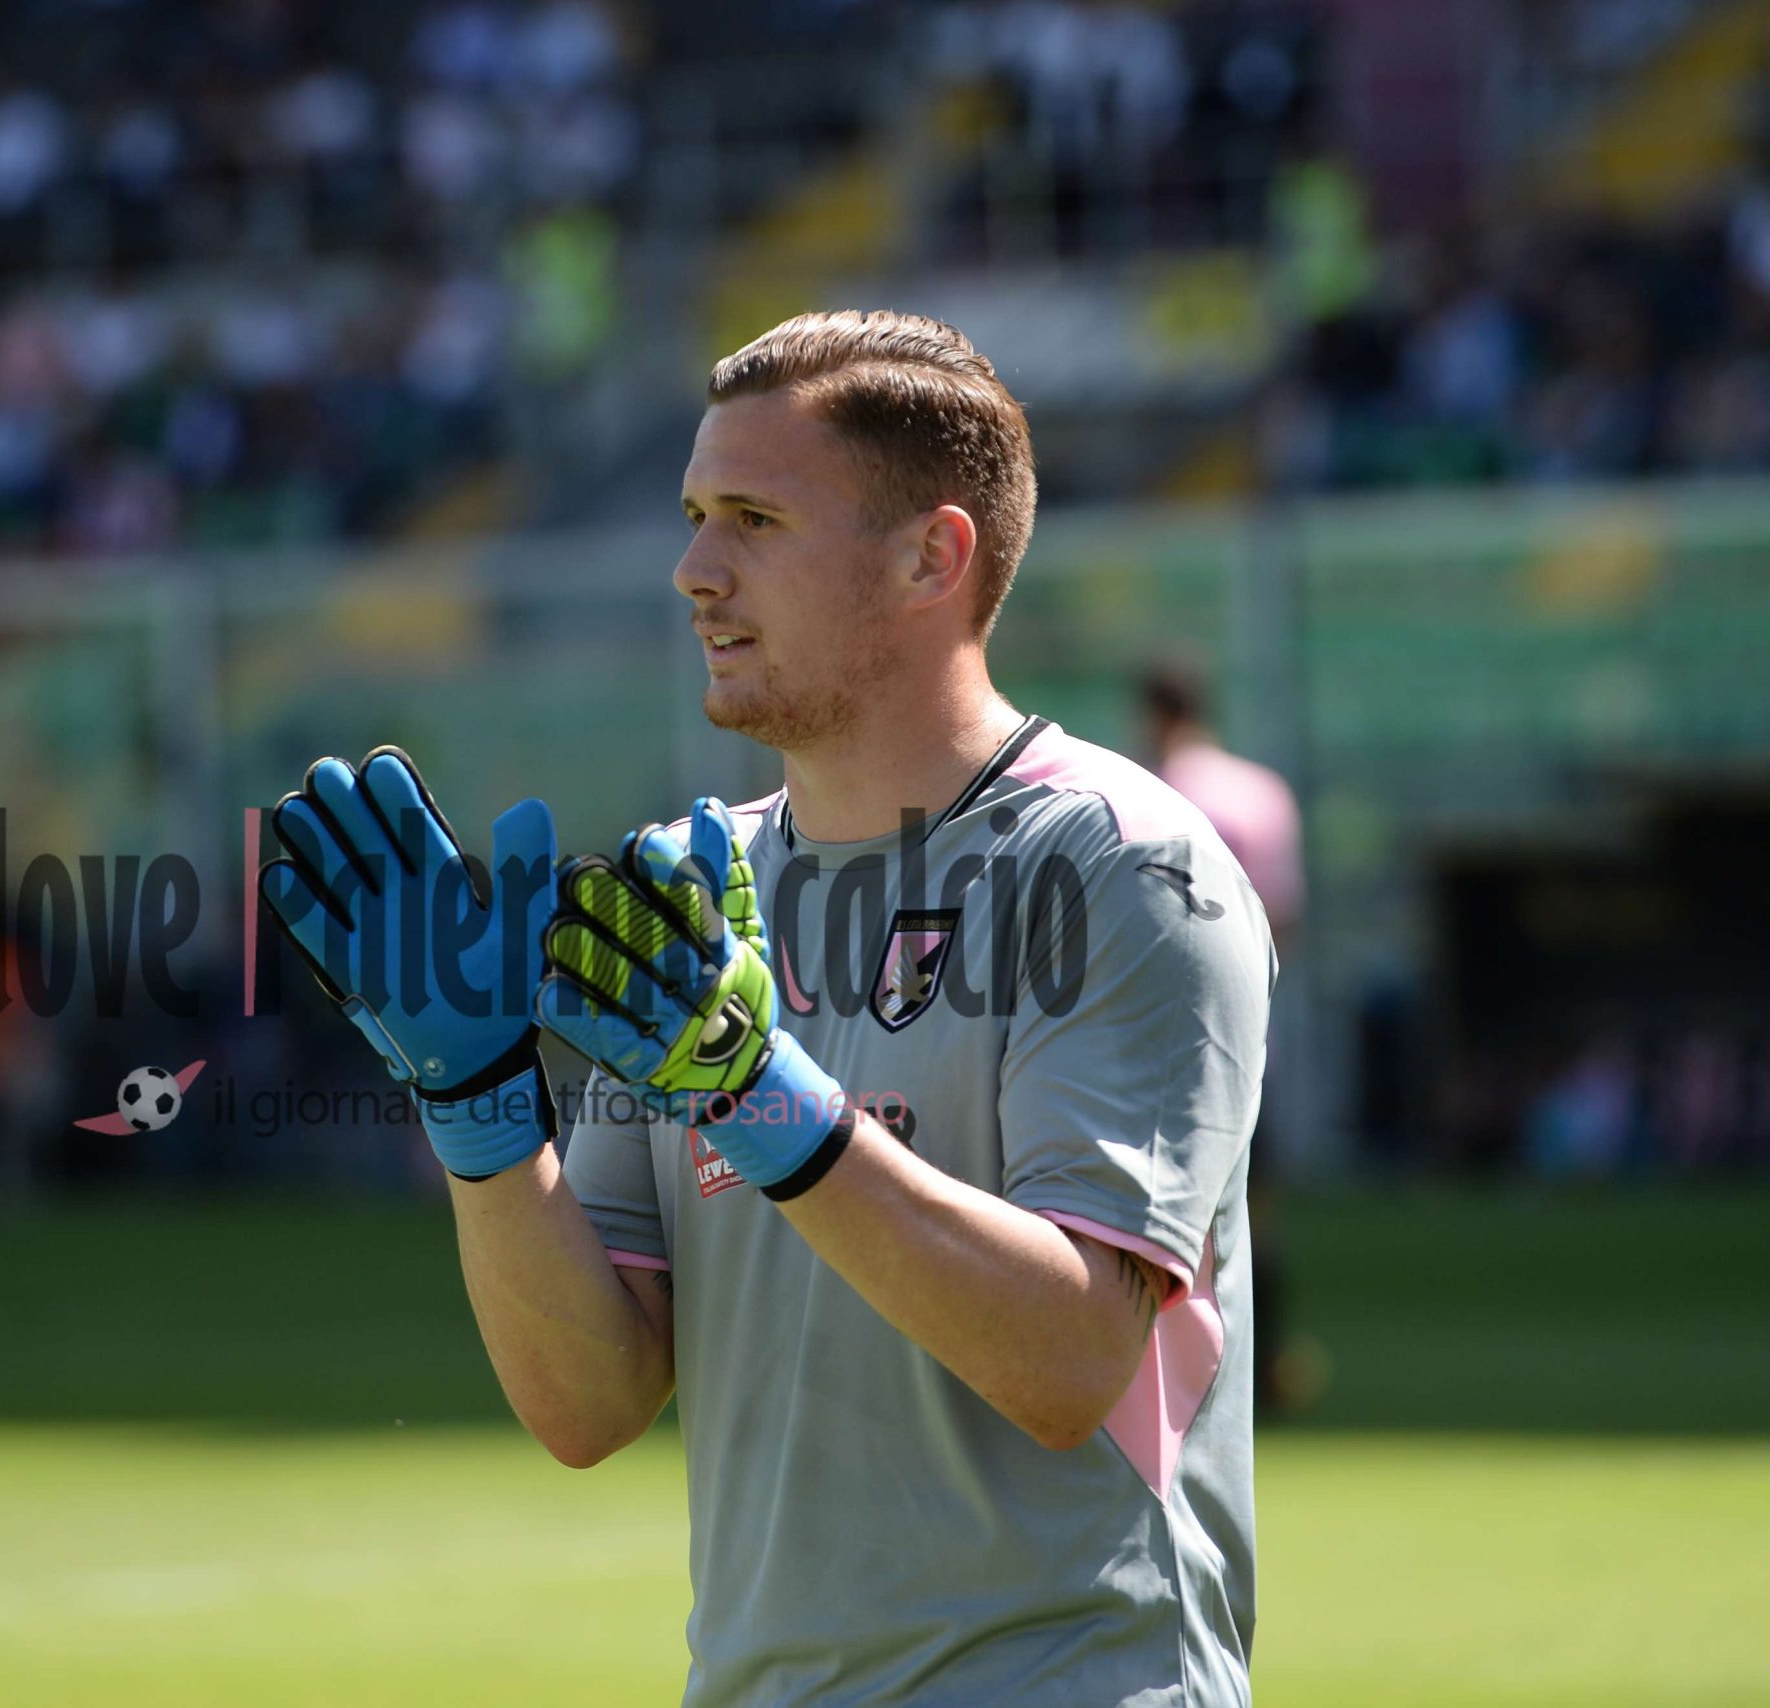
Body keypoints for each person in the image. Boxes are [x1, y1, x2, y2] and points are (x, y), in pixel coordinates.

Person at [261, 311, 1275, 1705]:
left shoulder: (1119, 868)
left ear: (934, 555)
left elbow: (1071, 1362)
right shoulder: (695, 889)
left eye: (753, 519)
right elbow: (589, 1403)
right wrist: (480, 1104)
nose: (692, 570)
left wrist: (756, 1088)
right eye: (691, 516)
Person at [1138, 657, 1311, 1417]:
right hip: (1247, 1031)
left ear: (1150, 713)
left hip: (1155, 1035)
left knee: (1158, 1214)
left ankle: (1176, 1383)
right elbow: (1283, 914)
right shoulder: (1259, 793)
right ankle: (1267, 1368)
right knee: (1253, 1211)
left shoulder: (1140, 794)